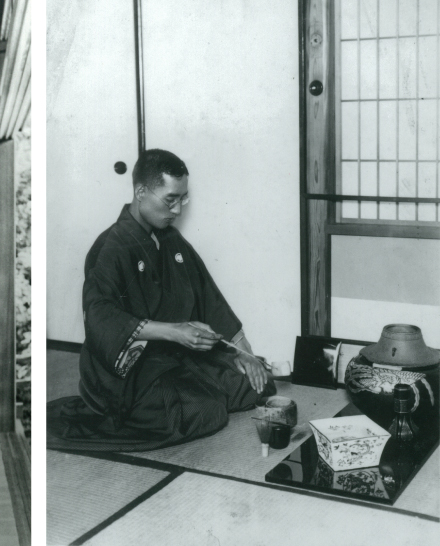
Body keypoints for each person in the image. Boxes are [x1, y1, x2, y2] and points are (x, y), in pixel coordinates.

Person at [47, 149, 274, 452]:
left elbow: (209, 297)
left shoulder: (170, 238)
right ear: (141, 192)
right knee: (205, 412)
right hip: (132, 370)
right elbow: (102, 319)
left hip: (177, 356)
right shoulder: (111, 247)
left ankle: (199, 387)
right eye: (171, 199)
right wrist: (175, 331)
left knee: (257, 383)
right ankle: (188, 395)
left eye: (183, 199)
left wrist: (244, 354)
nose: (178, 210)